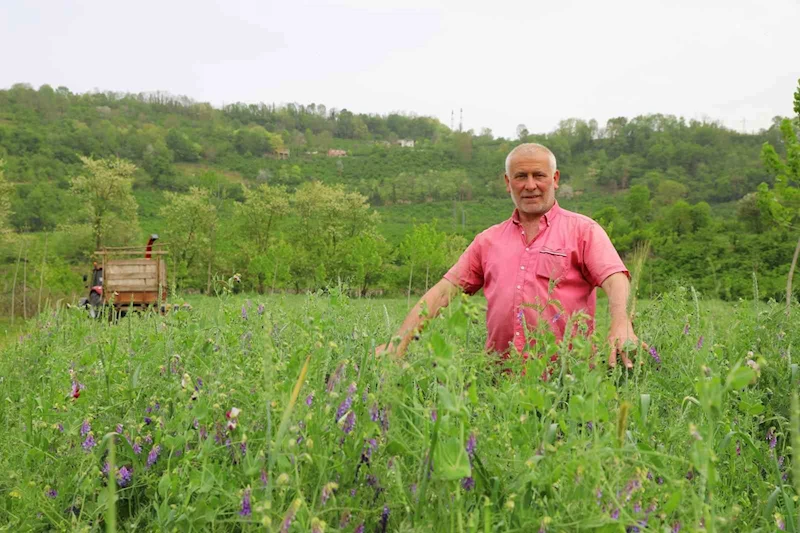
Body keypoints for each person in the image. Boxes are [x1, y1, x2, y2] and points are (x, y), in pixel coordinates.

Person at [378, 143, 643, 368]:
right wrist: (397, 343)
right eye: (520, 176)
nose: (530, 185)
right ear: (507, 182)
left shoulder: (583, 230)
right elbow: (442, 292)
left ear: (555, 179)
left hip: (568, 382)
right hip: (501, 386)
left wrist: (621, 324)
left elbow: (616, 278)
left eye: (539, 175)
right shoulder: (487, 241)